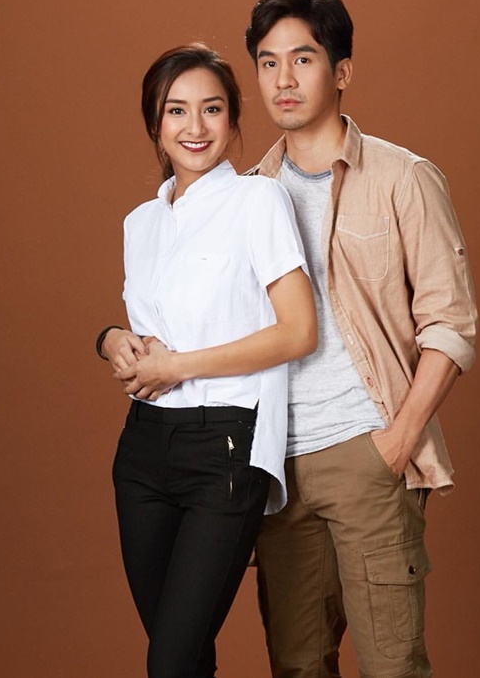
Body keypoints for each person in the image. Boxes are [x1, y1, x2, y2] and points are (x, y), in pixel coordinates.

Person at [243, 0, 478, 678]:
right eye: (267, 62)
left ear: (341, 70)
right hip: (278, 471)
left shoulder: (404, 179)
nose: (283, 79)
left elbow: (450, 323)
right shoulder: (249, 195)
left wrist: (396, 442)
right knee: (296, 666)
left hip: (368, 455)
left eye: (303, 59)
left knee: (392, 666)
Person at [95, 43, 317, 678]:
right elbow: (154, 334)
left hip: (224, 445)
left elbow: (298, 331)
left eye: (212, 109)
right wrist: (112, 339)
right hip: (143, 451)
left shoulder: (257, 201)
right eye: (176, 110)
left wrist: (177, 367)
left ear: (233, 118)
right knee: (184, 661)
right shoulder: (140, 223)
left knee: (169, 663)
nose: (195, 127)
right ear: (155, 122)